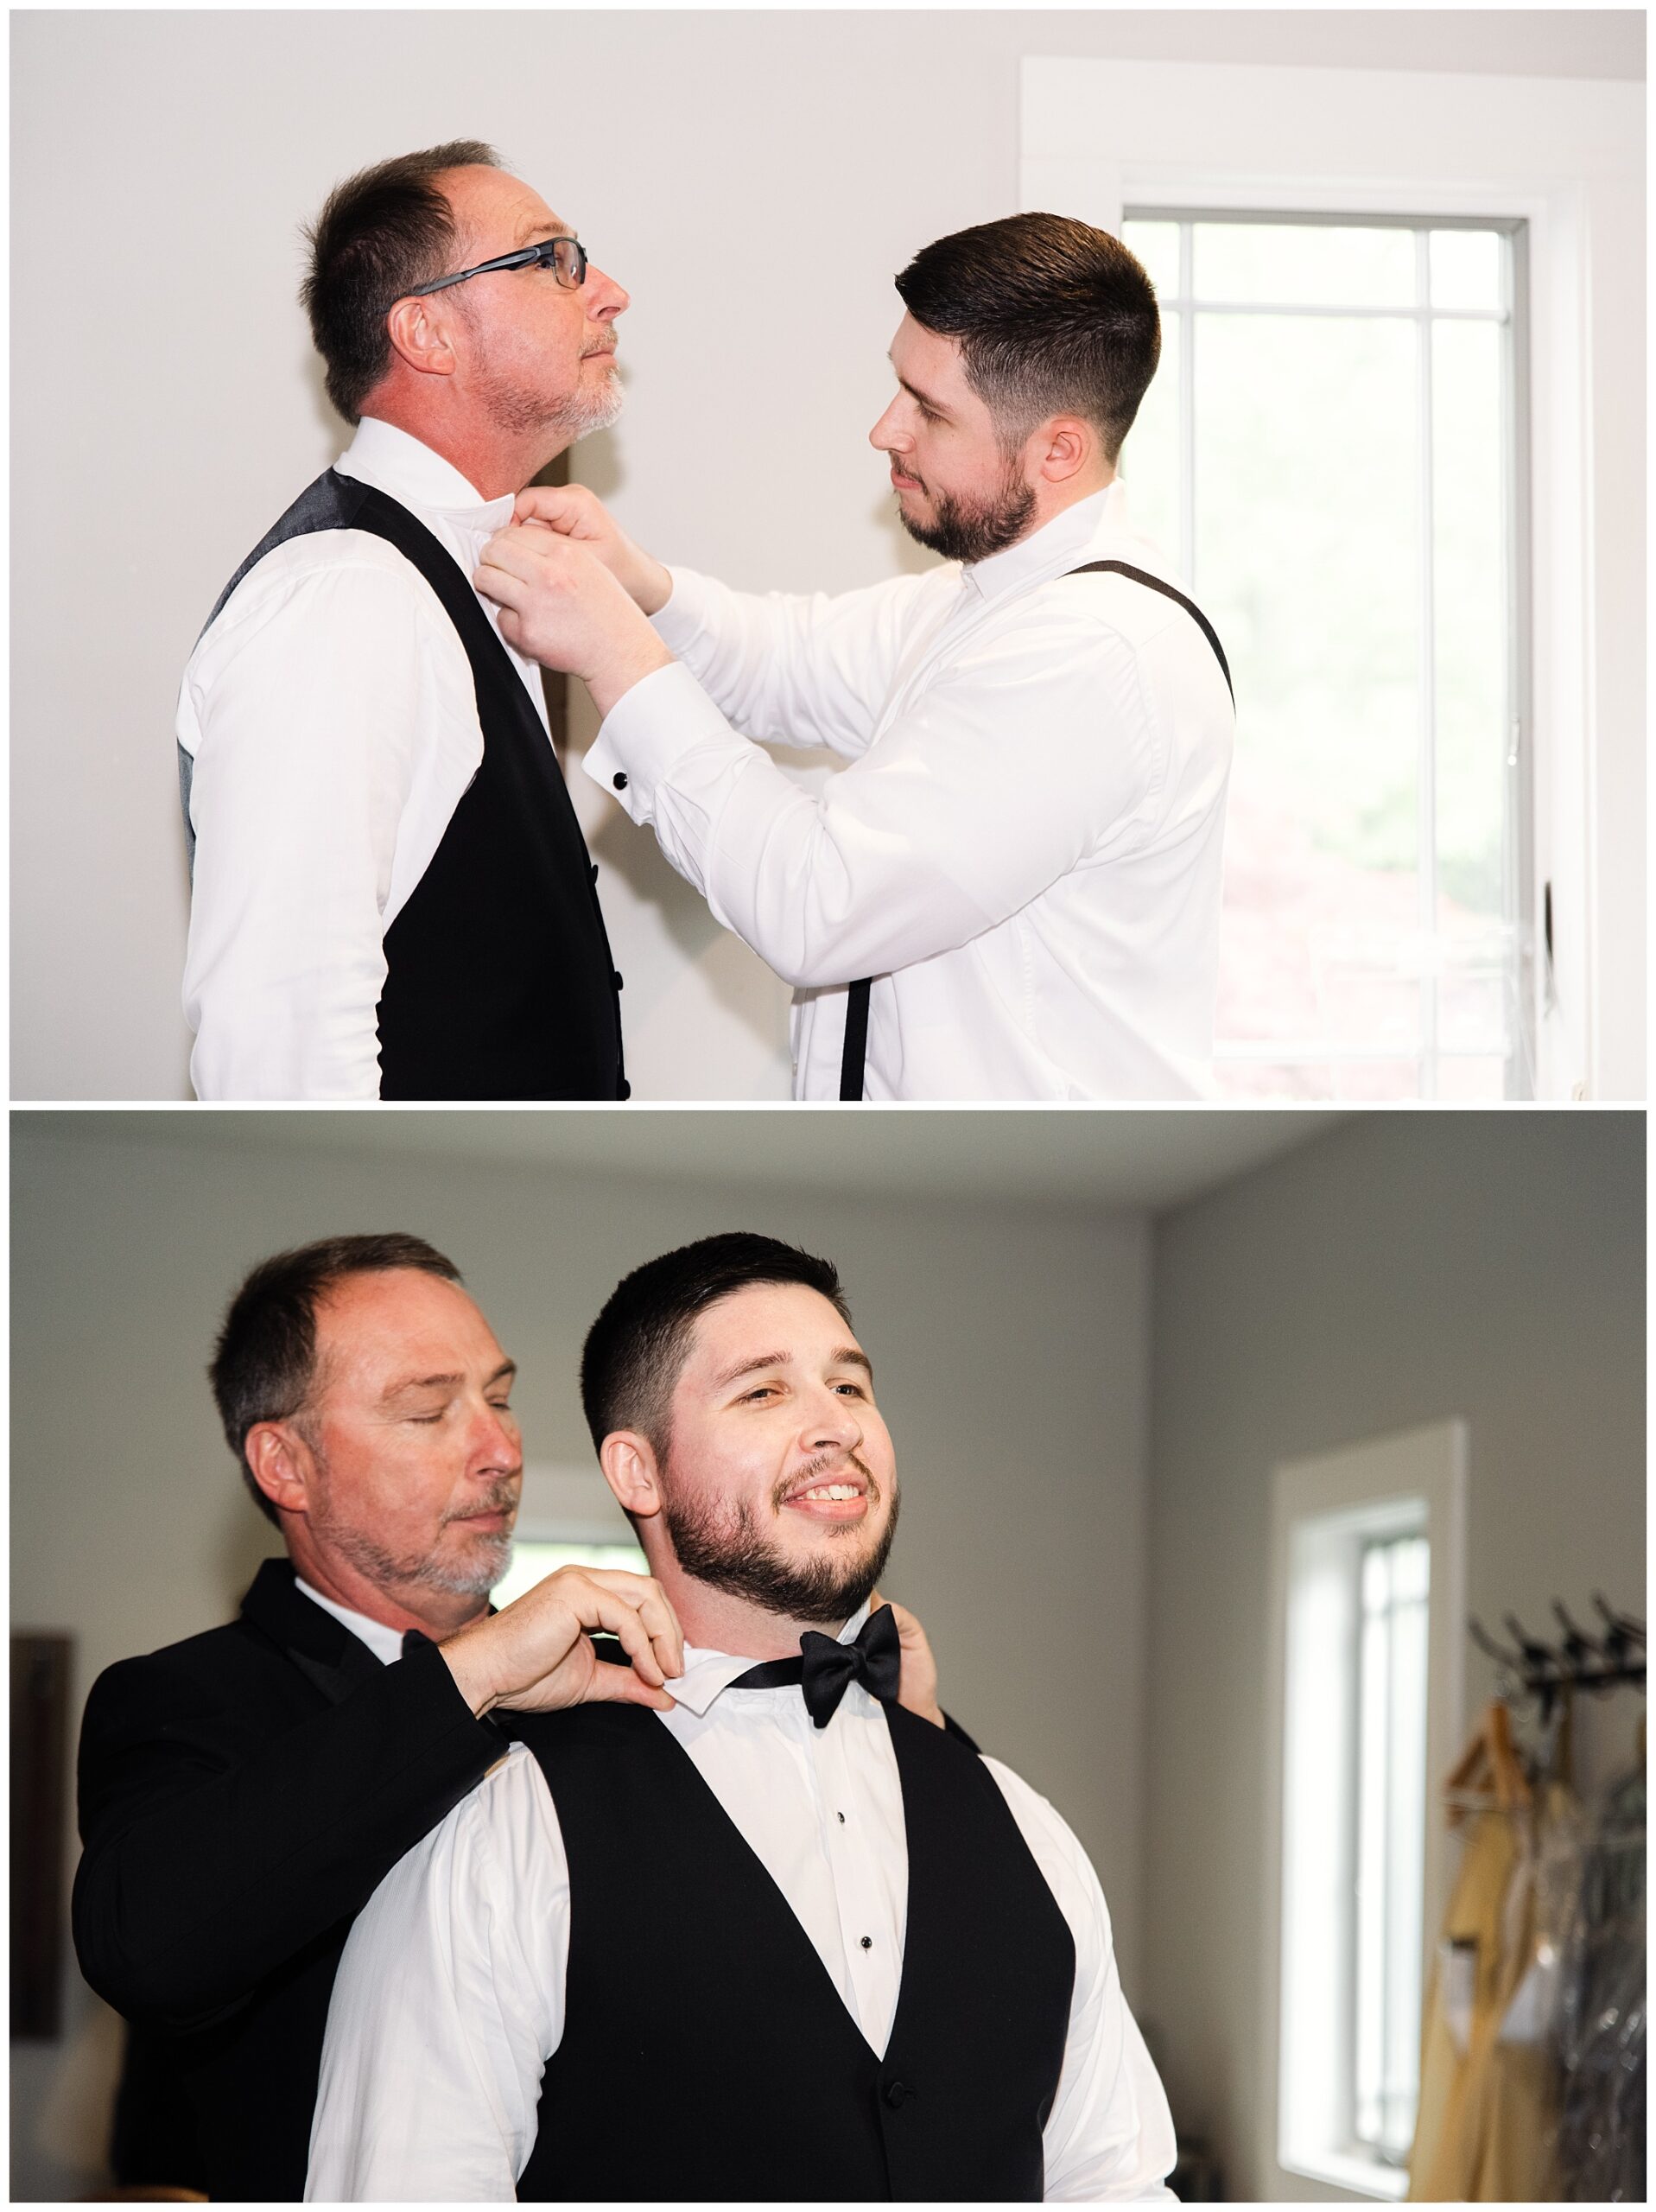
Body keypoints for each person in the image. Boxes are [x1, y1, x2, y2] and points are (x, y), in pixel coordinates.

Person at [72, 1230, 957, 2198]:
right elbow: (151, 1949)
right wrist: (472, 1675)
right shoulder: (182, 1702)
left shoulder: (624, 1670)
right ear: (285, 1463)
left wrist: (920, 1740)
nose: (500, 1450)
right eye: (427, 1411)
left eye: (498, 1396)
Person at [307, 1233, 1177, 2201]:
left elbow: (1117, 2186)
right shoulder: (497, 1830)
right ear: (638, 1473)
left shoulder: (1023, 1826)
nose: (834, 1424)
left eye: (851, 1386)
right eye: (763, 1391)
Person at [475, 213, 1235, 1102]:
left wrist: (612, 650)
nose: (885, 430)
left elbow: (817, 902)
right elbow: (788, 661)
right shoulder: (992, 600)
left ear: (1059, 448)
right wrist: (641, 587)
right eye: (898, 387)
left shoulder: (1091, 658)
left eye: (931, 410)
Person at [177, 143, 650, 1100]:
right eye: (551, 259)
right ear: (427, 332)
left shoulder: (467, 564)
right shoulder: (349, 595)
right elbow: (281, 1031)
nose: (609, 292)